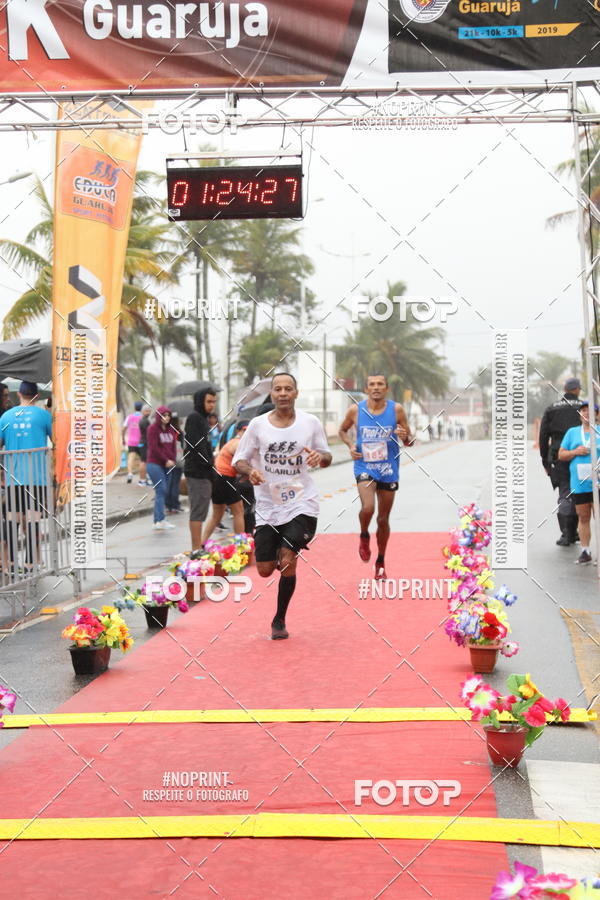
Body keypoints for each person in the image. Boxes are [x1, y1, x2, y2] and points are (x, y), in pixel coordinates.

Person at [233, 373, 332, 640]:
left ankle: (279, 619)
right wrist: (250, 470)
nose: (283, 393)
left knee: (288, 561)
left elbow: (327, 456)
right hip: (267, 503)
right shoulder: (257, 425)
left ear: (296, 393)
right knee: (264, 570)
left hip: (301, 500)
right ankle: (280, 548)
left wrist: (318, 456)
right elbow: (239, 460)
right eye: (278, 389)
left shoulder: (310, 422)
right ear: (272, 394)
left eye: (288, 388)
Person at [338, 373, 412, 580]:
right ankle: (363, 534)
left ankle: (380, 560)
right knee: (368, 508)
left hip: (389, 469)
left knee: (383, 519)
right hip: (365, 466)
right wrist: (351, 445)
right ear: (366, 388)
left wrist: (406, 437)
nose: (376, 387)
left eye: (380, 384)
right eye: (372, 384)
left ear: (386, 388)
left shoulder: (396, 409)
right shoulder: (355, 410)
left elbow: (410, 440)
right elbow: (342, 431)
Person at [0, 381, 52, 569]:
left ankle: (12, 563)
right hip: (37, 477)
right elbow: (57, 440)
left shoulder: (6, 417)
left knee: (13, 519)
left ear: (19, 395)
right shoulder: (44, 416)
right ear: (36, 395)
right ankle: (31, 563)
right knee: (33, 519)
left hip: (13, 477)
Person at [540, 377, 583, 547]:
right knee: (580, 493)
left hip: (559, 456)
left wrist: (545, 461)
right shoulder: (584, 407)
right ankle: (574, 532)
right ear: (578, 390)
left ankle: (567, 533)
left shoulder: (551, 409)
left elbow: (543, 436)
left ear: (564, 389)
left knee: (565, 492)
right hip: (582, 455)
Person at [558, 399, 600, 564]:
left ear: (596, 414)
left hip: (597, 483)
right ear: (579, 414)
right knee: (583, 517)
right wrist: (575, 451)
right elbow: (561, 455)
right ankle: (585, 551)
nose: (586, 413)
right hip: (580, 483)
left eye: (590, 411)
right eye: (583, 410)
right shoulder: (572, 433)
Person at [203, 421, 249, 543]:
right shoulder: (237, 443)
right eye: (244, 430)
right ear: (238, 431)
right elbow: (242, 463)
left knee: (217, 515)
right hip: (225, 478)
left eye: (249, 431)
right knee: (238, 511)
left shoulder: (234, 442)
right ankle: (241, 546)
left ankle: (201, 544)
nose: (247, 433)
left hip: (218, 478)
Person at [183, 387, 217, 551]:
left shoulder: (204, 419)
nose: (212, 405)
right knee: (198, 511)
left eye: (214, 402)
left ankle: (198, 548)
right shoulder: (194, 418)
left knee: (201, 510)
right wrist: (209, 464)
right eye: (209, 401)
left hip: (205, 472)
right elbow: (196, 447)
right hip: (197, 472)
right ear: (200, 401)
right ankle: (195, 549)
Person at [146, 406, 178, 530]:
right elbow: (154, 448)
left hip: (169, 465)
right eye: (164, 415)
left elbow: (173, 447)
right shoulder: (152, 429)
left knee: (163, 491)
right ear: (159, 416)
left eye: (168, 415)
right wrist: (166, 460)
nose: (167, 417)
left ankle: (157, 520)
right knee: (161, 489)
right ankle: (160, 520)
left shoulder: (171, 430)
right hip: (155, 464)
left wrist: (173, 460)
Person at [165, 412, 184, 514]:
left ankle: (168, 506)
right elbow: (184, 447)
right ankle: (175, 505)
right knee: (176, 484)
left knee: (168, 482)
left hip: (168, 460)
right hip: (178, 460)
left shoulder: (166, 431)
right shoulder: (179, 432)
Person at [122, 401, 143, 484]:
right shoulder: (143, 417)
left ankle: (130, 474)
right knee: (143, 460)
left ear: (134, 408)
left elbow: (123, 429)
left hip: (131, 441)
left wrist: (123, 438)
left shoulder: (129, 417)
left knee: (131, 457)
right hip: (141, 442)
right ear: (141, 408)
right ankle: (143, 477)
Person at [138, 404, 152, 486]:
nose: (148, 412)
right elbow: (148, 433)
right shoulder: (145, 421)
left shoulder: (144, 420)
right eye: (147, 411)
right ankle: (142, 480)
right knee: (144, 462)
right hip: (144, 443)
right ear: (142, 411)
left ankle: (144, 479)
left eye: (149, 411)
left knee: (144, 461)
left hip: (143, 443)